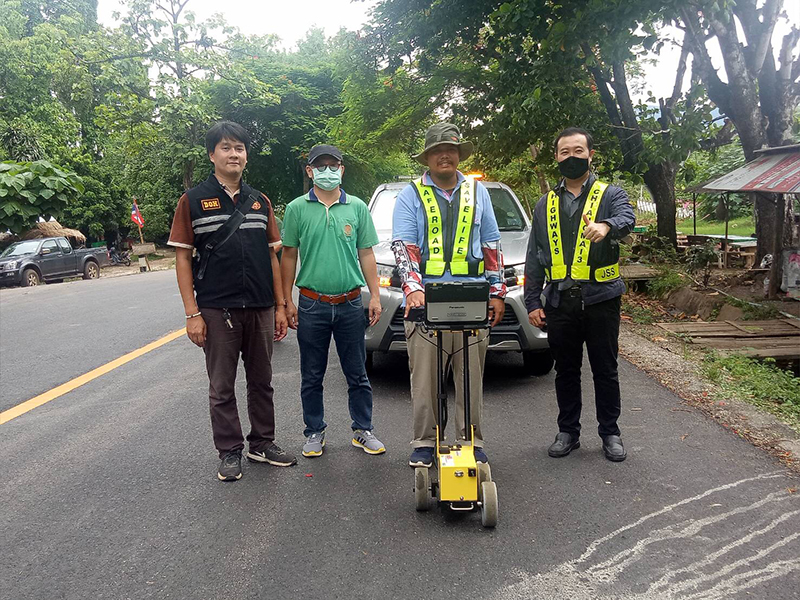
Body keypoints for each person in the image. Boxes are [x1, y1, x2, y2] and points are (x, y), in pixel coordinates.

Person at [168, 120, 297, 482]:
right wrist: (192, 313)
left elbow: (272, 256)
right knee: (222, 386)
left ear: (246, 155)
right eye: (225, 147)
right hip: (216, 309)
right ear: (212, 155)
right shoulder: (193, 201)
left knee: (262, 381)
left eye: (239, 148)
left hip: (260, 307)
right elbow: (182, 258)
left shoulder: (260, 200)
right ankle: (229, 450)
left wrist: (280, 306)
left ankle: (262, 443)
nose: (234, 154)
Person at [392, 123, 507, 468]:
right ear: (427, 157)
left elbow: (491, 244)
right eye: (437, 151)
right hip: (426, 299)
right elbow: (404, 247)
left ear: (459, 155)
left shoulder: (478, 191)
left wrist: (497, 291)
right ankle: (425, 442)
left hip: (472, 296)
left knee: (470, 376)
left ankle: (471, 440)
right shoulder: (411, 194)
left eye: (451, 150)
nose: (445, 155)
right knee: (425, 378)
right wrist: (413, 290)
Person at [524, 127, 635, 462]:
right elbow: (534, 255)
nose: (571, 157)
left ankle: (610, 433)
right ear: (556, 157)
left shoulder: (610, 194)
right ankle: (568, 432)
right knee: (566, 370)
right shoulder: (545, 203)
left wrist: (607, 226)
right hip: (560, 302)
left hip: (601, 298)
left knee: (605, 369)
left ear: (590, 155)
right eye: (564, 152)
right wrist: (532, 301)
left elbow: (627, 218)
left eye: (577, 151)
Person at [281, 144, 386, 458]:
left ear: (342, 169)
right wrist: (286, 301)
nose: (327, 171)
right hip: (312, 304)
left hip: (350, 303)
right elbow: (289, 255)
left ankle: (363, 429)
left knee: (357, 373)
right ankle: (314, 431)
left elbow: (366, 253)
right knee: (312, 375)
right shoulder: (297, 208)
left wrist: (375, 295)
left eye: (333, 165)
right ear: (310, 171)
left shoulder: (357, 207)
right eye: (320, 166)